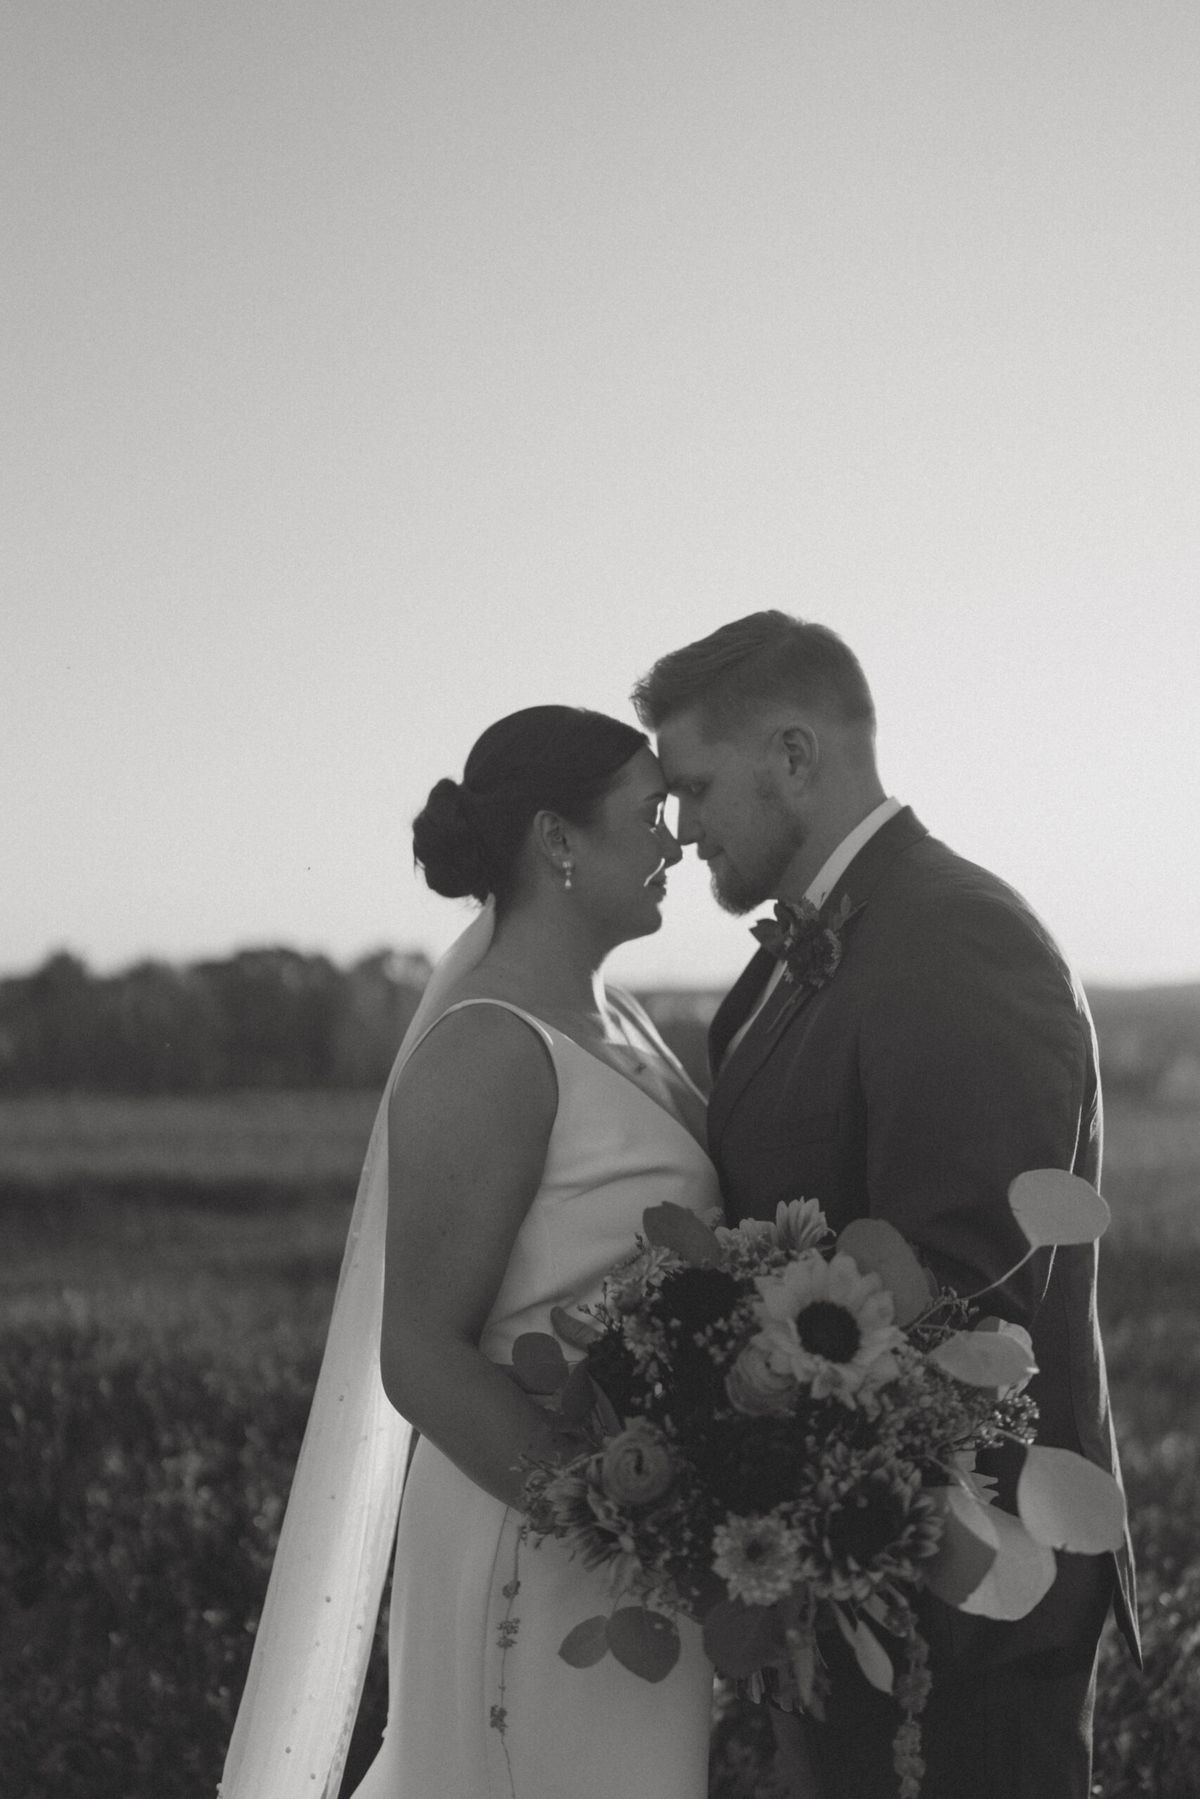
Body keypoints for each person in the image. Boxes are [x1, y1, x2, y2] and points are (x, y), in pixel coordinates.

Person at [633, 613, 1140, 1799]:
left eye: (696, 786)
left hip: (969, 1615)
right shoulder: (778, 969)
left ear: (794, 755)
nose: (682, 827)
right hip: (843, 1603)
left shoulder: (957, 935)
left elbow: (964, 1295)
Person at [218, 706, 718, 1799]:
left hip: (646, 1539)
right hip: (542, 1532)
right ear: (557, 837)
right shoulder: (489, 1044)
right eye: (650, 813)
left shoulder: (625, 1019)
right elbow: (421, 1352)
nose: (677, 841)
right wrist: (609, 1515)